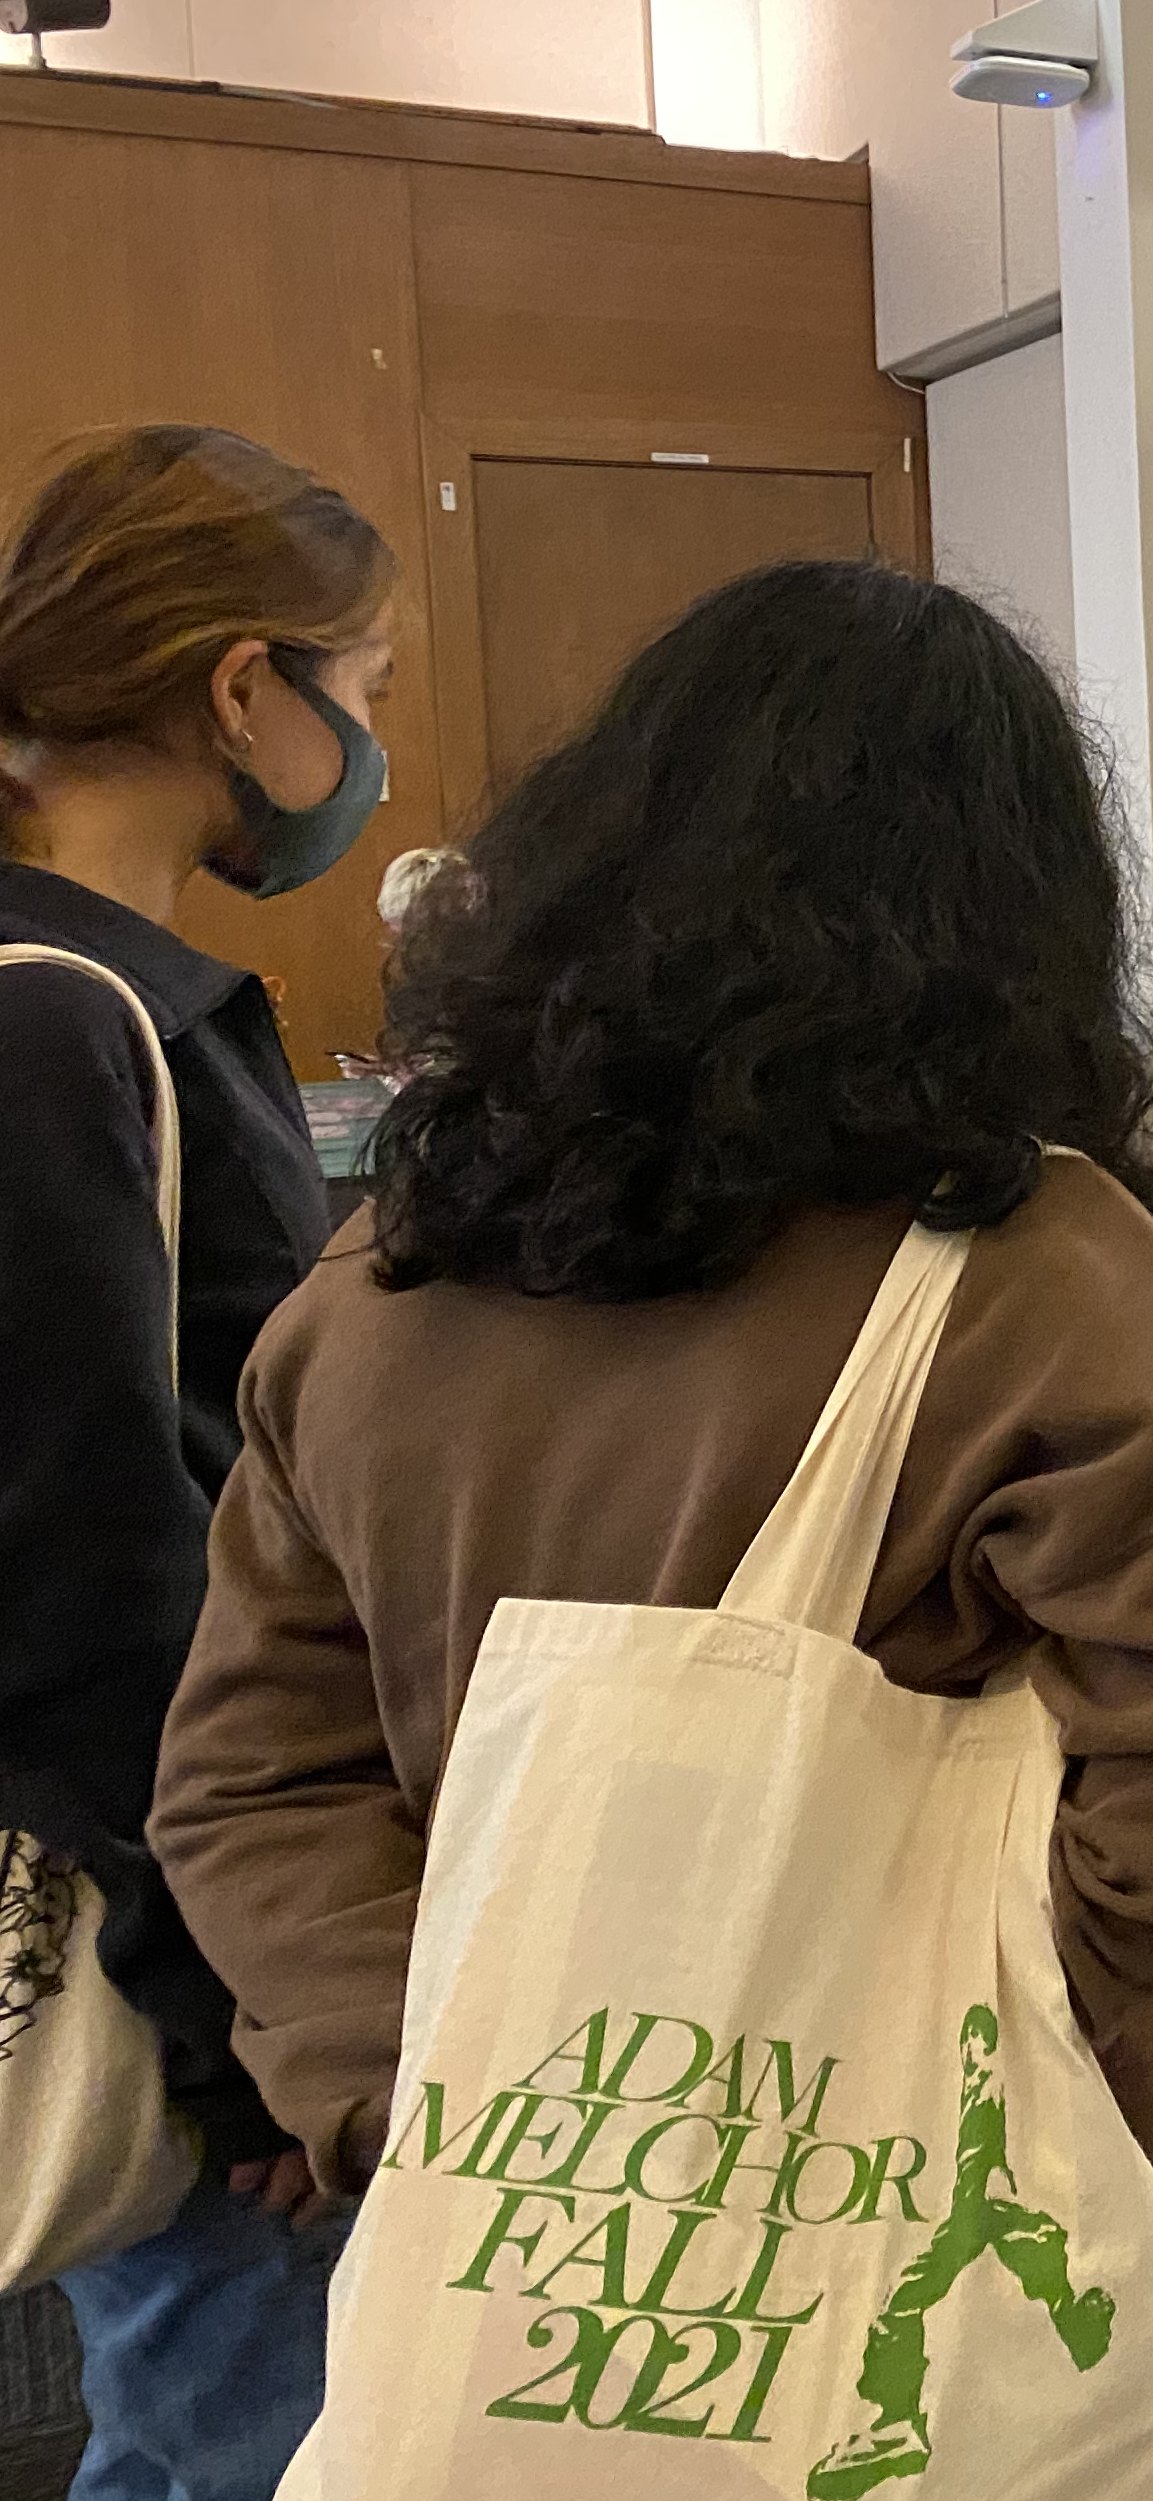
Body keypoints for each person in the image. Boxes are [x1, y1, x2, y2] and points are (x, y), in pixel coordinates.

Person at [146, 559, 1153, 2501]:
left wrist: (408, 2078)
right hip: (1005, 2189)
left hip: (532, 2207)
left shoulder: (374, 1296)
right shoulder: (1043, 1272)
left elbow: (251, 1775)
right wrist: (1037, 2050)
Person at [0, 423, 395, 2497]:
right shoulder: (61, 1016)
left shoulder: (115, 997)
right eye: (369, 684)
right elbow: (100, 1579)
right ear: (248, 684)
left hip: (199, 1895)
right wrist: (242, 2006)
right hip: (185, 1932)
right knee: (232, 2431)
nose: (369, 741)